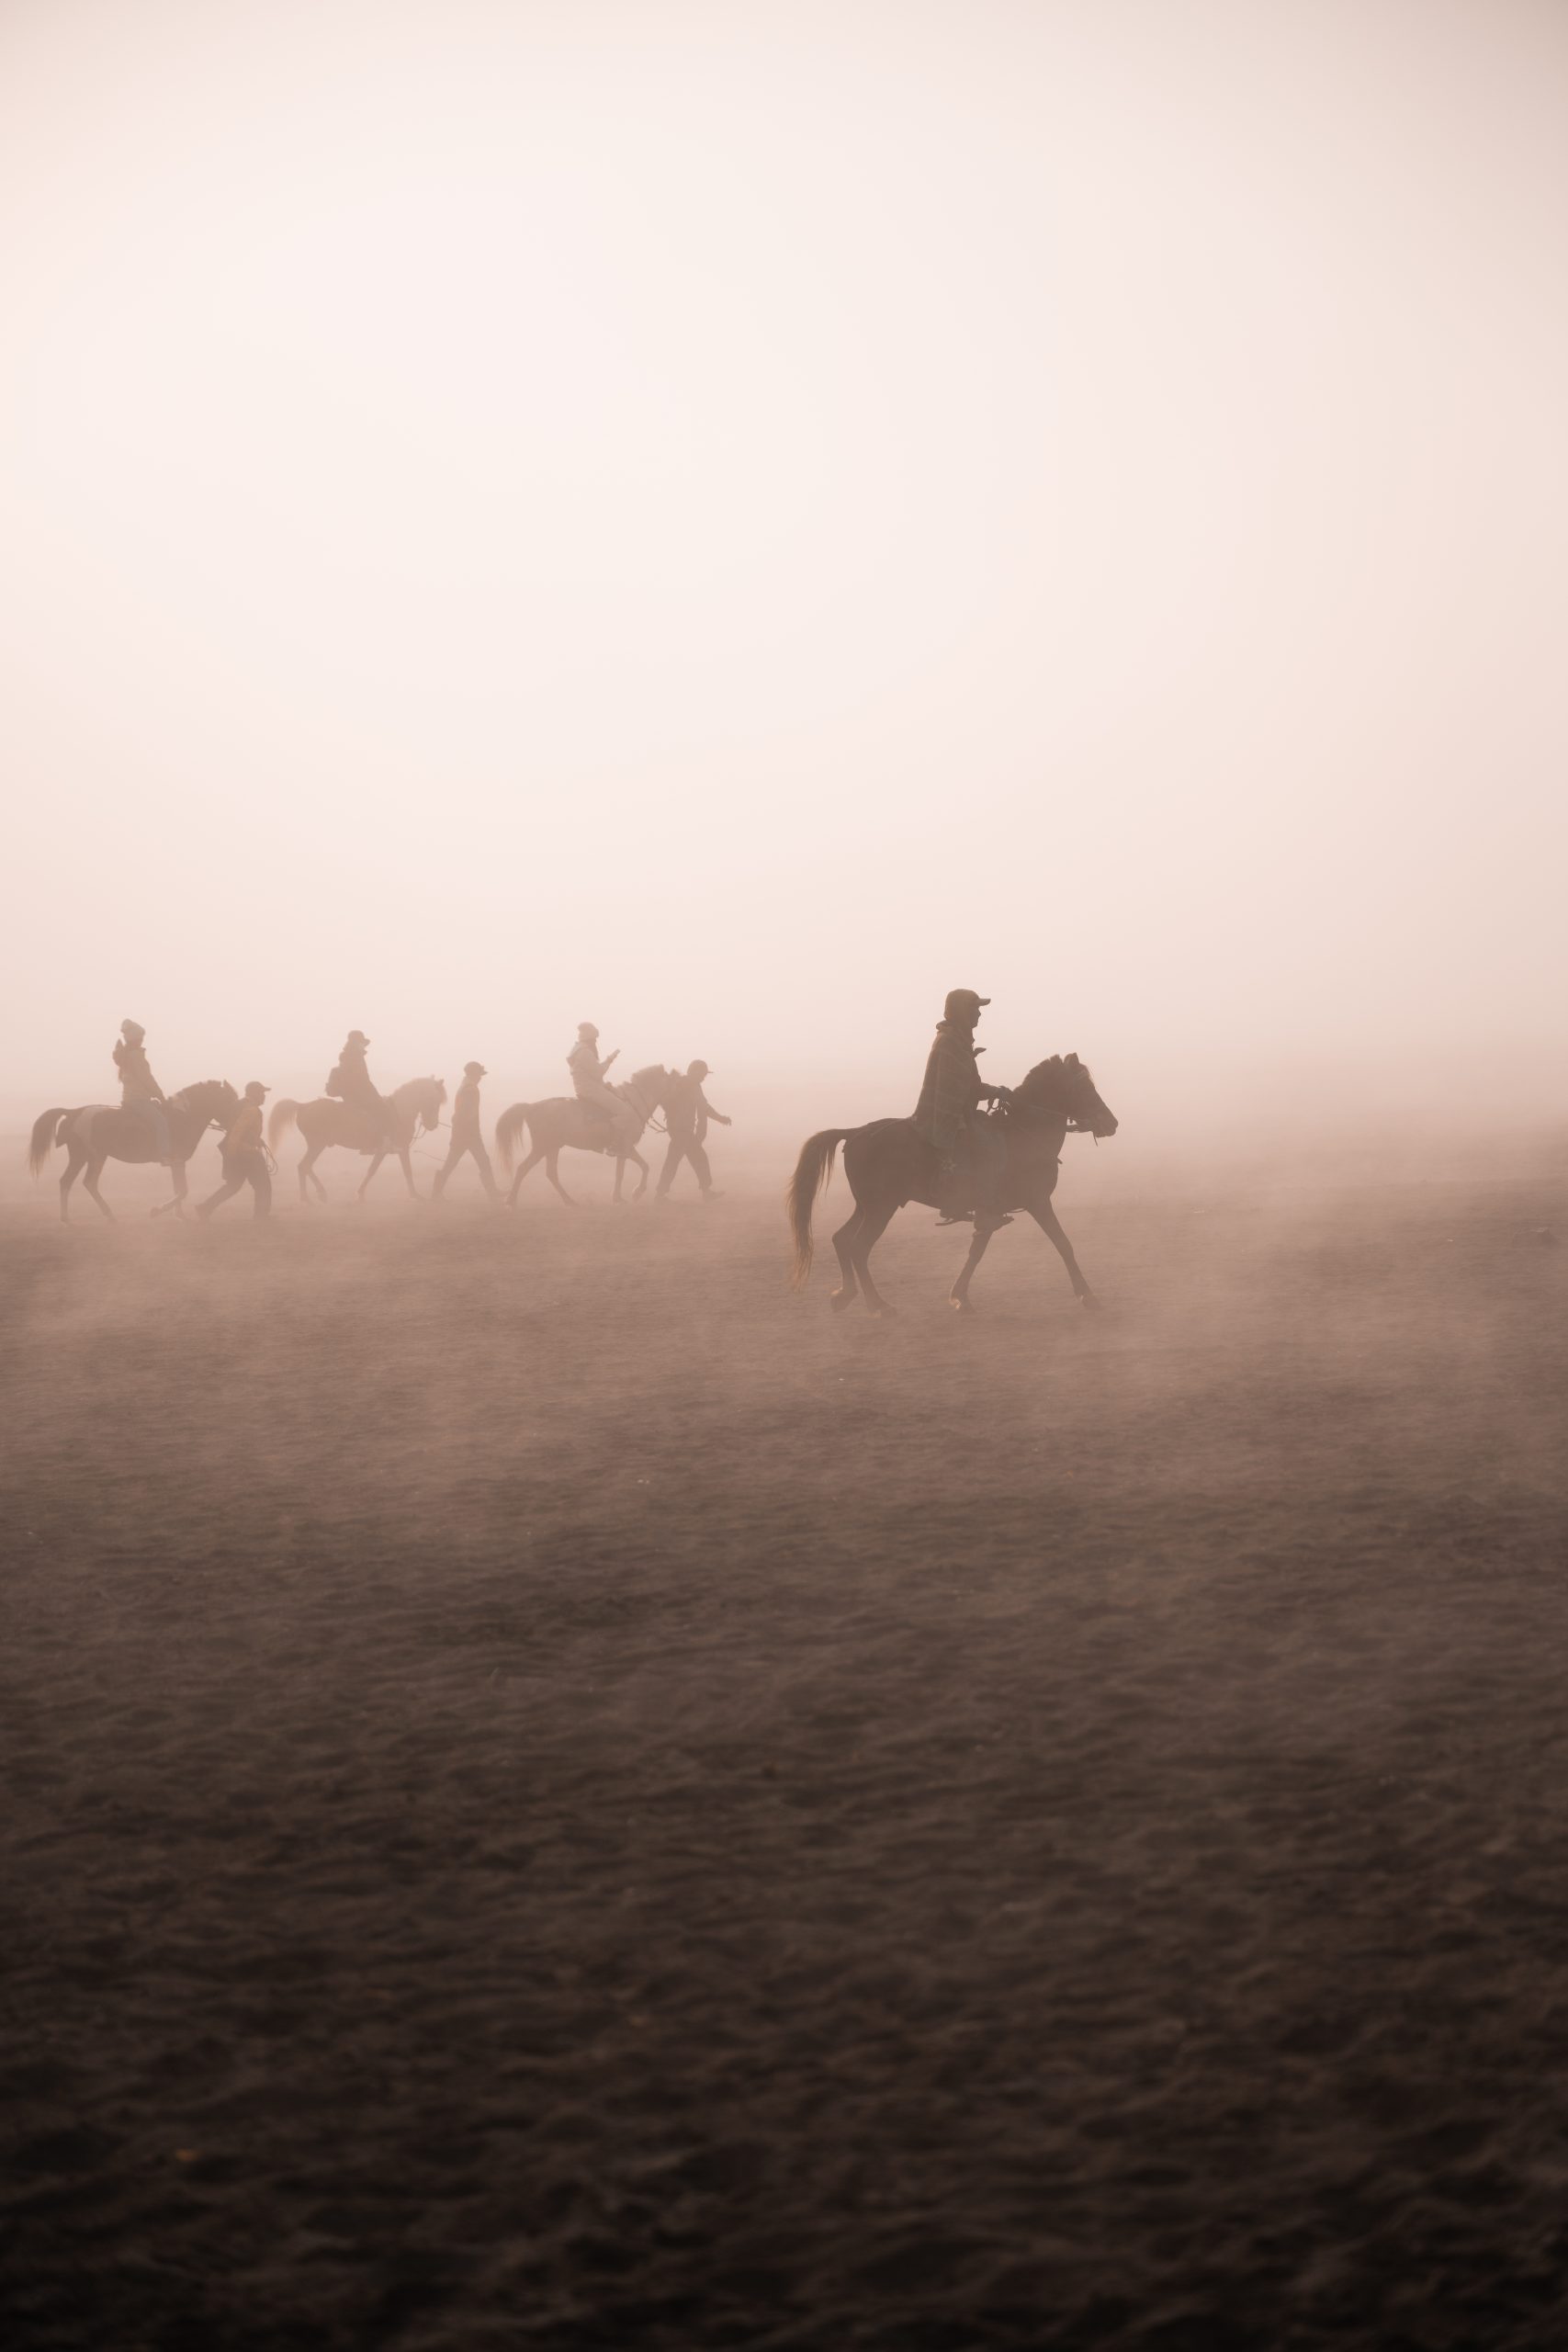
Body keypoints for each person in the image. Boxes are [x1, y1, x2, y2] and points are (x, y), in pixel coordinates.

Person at [913, 989, 1011, 1232]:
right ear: (962, 1012)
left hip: (958, 1111)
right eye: (975, 1009)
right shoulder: (951, 1042)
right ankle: (969, 1206)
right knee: (988, 1149)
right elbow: (969, 1089)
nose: (979, 1014)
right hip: (948, 1116)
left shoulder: (957, 1039)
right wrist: (998, 1092)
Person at [655, 1060, 731, 1200]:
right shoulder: (692, 1086)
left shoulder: (680, 1083)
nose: (703, 1078)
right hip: (683, 1130)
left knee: (691, 1158)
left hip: (676, 1128)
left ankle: (704, 1191)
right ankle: (661, 1194)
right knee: (679, 1160)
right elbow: (704, 1107)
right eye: (702, 1074)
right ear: (695, 1072)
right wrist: (721, 1118)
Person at [196, 1082, 273, 1219]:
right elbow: (237, 1132)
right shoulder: (251, 1110)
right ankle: (261, 1215)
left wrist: (234, 1153)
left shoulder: (239, 1106)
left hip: (238, 1152)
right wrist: (234, 1153)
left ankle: (205, 1208)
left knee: (233, 1185)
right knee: (263, 1184)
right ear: (254, 1093)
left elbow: (234, 1129)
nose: (264, 1096)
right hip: (247, 1153)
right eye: (262, 1093)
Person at [432, 1061, 501, 1204]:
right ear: (474, 1074)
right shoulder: (471, 1089)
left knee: (451, 1163)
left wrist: (457, 1125)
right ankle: (493, 1194)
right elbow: (467, 1113)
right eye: (479, 1075)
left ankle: (436, 1193)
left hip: (461, 1132)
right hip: (469, 1134)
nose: (481, 1078)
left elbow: (460, 1113)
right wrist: (469, 1129)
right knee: (483, 1162)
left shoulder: (465, 1086)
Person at [567, 1023, 639, 1154]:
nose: (596, 1042)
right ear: (590, 1039)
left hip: (588, 1087)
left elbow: (591, 1074)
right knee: (625, 1112)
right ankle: (613, 1145)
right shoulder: (585, 1052)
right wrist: (610, 1059)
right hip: (590, 1090)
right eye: (595, 1039)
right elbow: (598, 1072)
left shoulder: (578, 1049)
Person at [113, 1019, 173, 1165]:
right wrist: (161, 1096)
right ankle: (164, 1156)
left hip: (130, 1099)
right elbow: (147, 1079)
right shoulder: (136, 1056)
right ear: (136, 1039)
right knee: (161, 1122)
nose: (142, 1040)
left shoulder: (127, 1056)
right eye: (141, 1038)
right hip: (138, 1100)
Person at [326, 1029, 397, 1143]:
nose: (363, 1045)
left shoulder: (348, 1056)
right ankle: (384, 1142)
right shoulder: (355, 1057)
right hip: (359, 1095)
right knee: (384, 1111)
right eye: (361, 1042)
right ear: (355, 1043)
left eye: (363, 1043)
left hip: (351, 1095)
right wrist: (375, 1096)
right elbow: (362, 1080)